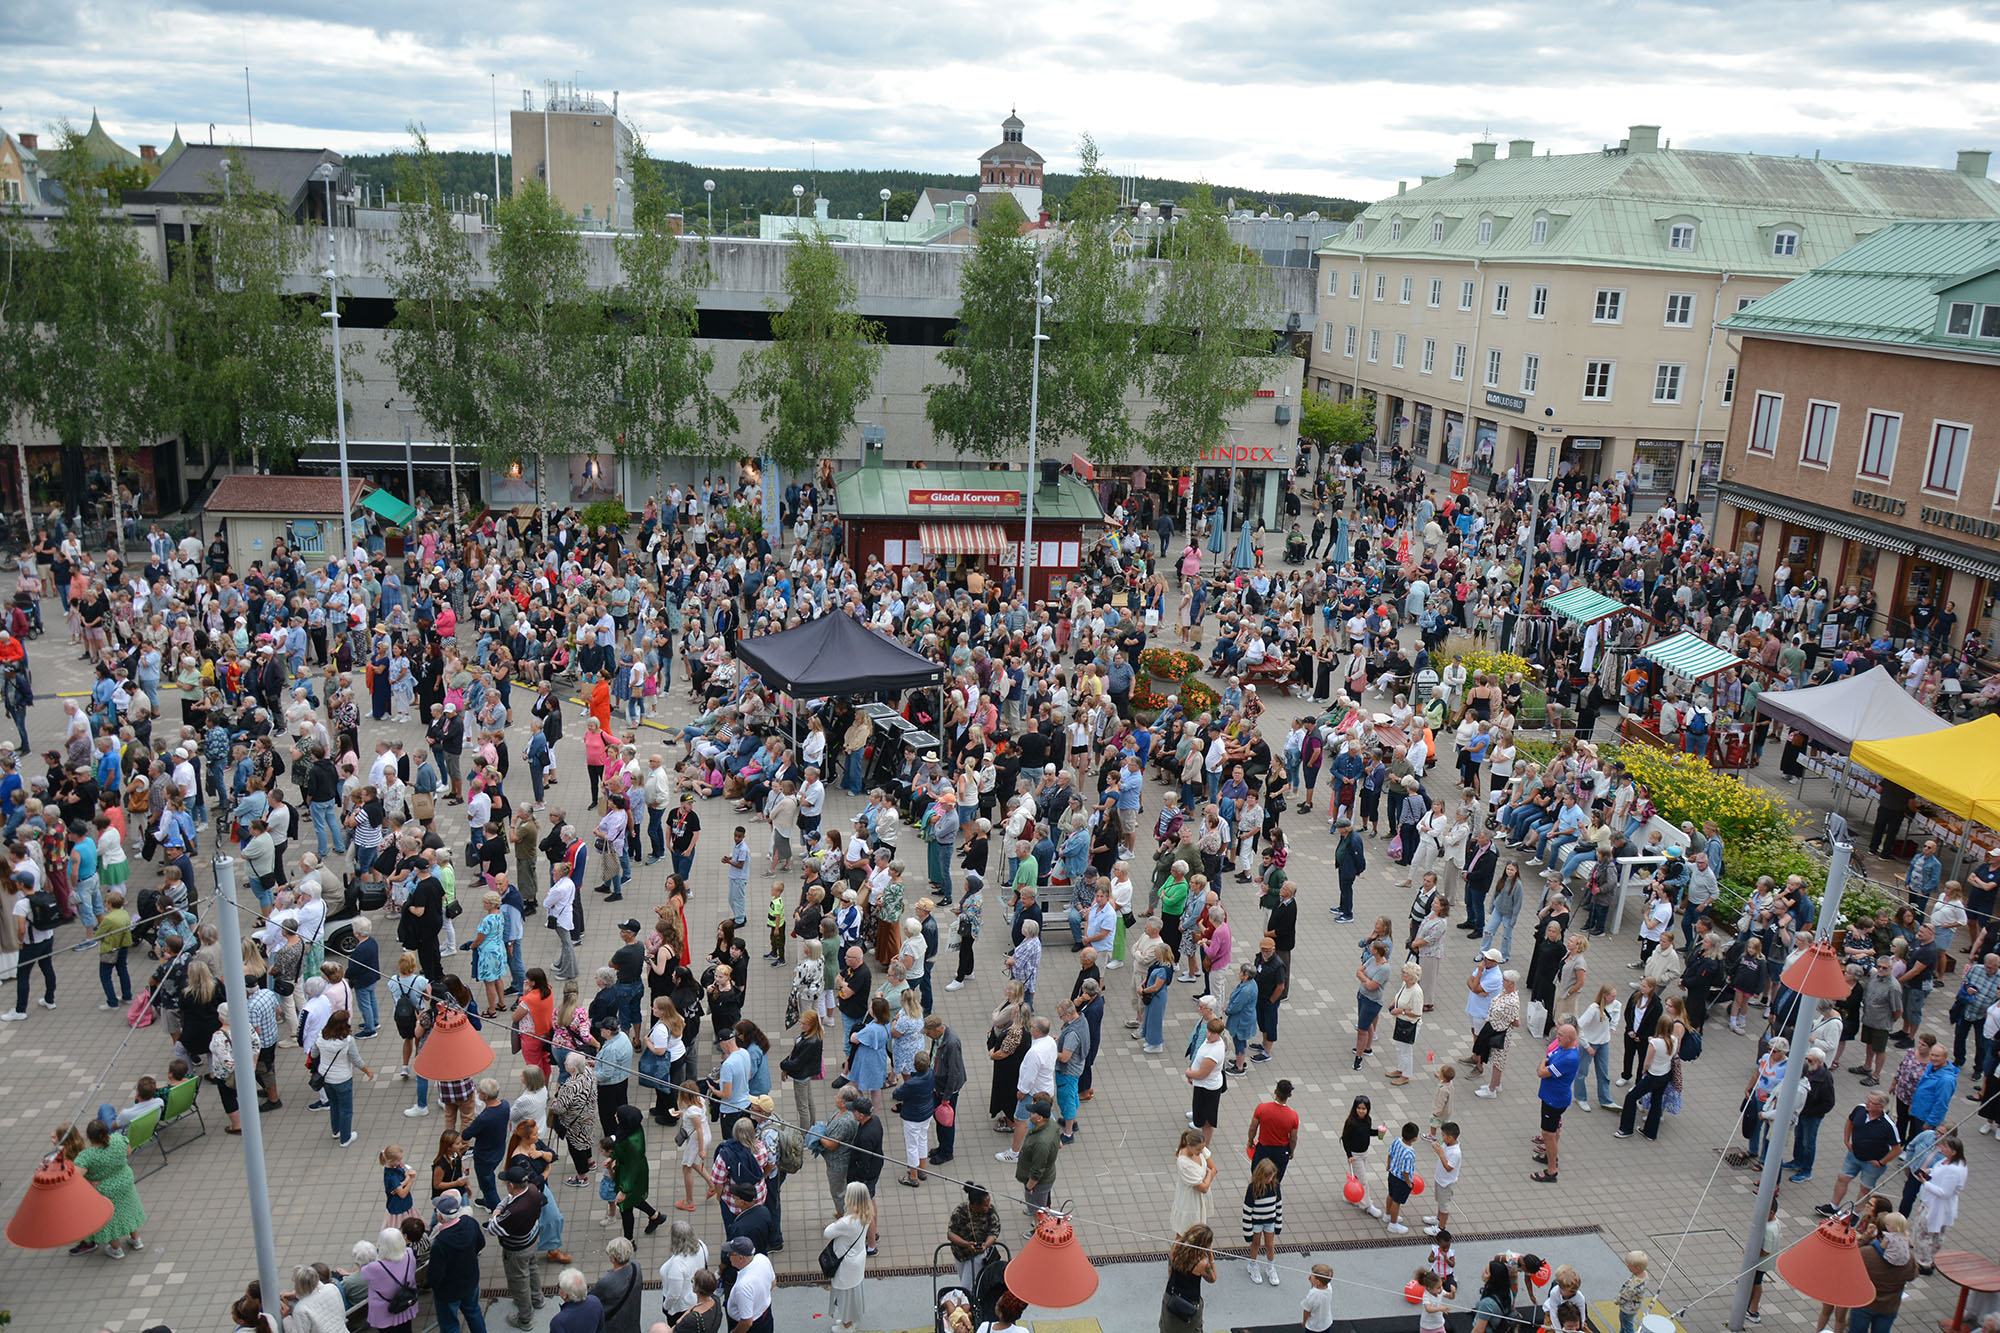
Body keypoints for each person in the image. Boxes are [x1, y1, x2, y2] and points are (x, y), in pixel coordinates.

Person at [68, 1118, 146, 1259]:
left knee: (109, 1219)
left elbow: (75, 1177)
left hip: (104, 1190)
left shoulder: (87, 1156)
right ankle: (136, 1240)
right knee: (129, 1209)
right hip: (125, 1182)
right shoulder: (119, 1140)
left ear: (89, 1137)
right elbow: (129, 1152)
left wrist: (90, 1181)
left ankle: (116, 1249)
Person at [427, 1190, 488, 1333]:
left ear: (441, 1217)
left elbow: (435, 1274)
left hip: (449, 1291)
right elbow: (481, 1243)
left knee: (449, 1324)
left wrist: (436, 1287)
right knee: (473, 1312)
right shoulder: (470, 1223)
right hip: (470, 1281)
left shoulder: (441, 1242)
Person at [1532, 1023, 1581, 1183]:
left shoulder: (1569, 1058)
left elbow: (1542, 1072)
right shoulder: (1563, 1049)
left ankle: (1552, 1169)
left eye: (1560, 1036)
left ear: (1570, 1039)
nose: (1557, 1038)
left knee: (1548, 1133)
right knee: (1554, 1129)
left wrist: (1542, 1062)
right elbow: (1548, 1060)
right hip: (1551, 1097)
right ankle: (1549, 1155)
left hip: (1554, 1100)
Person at [823, 1180, 872, 1333]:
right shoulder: (867, 1214)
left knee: (844, 1295)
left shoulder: (847, 1222)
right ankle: (851, 1320)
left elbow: (827, 1233)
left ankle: (846, 1325)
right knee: (854, 1291)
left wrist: (838, 1220)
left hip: (845, 1264)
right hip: (858, 1259)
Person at [1160, 1223, 1217, 1333]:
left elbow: (1170, 1270)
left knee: (1167, 1328)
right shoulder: (1202, 1263)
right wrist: (1211, 1256)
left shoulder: (1176, 1246)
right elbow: (1213, 1278)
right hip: (1190, 1303)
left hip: (1171, 1296)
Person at [722, 1234, 777, 1333]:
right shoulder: (762, 1259)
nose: (728, 1256)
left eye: (730, 1254)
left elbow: (746, 1322)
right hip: (766, 1316)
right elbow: (773, 1282)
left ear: (741, 1258)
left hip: (751, 1327)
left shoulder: (743, 1287)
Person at [590, 1237, 643, 1333]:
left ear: (612, 1259)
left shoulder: (606, 1281)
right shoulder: (636, 1267)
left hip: (614, 1325)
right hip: (633, 1319)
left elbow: (590, 1297)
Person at [1169, 1127, 1216, 1236]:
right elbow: (1203, 1188)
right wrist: (1209, 1174)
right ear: (1189, 1145)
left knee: (1200, 1232)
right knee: (1182, 1235)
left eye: (1202, 1148)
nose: (1201, 1152)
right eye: (1198, 1149)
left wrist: (1208, 1176)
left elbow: (1214, 1168)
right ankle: (1177, 1253)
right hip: (1189, 1201)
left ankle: (1204, 1252)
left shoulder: (1200, 1148)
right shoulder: (1184, 1163)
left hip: (1199, 1199)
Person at [549, 1265, 606, 1333]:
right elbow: (600, 1328)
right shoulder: (595, 1302)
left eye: (559, 1286)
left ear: (565, 1295)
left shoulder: (559, 1322)